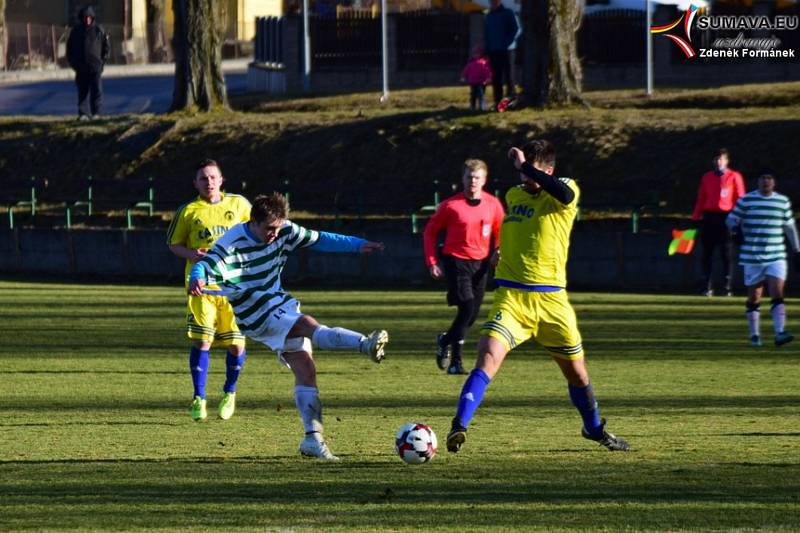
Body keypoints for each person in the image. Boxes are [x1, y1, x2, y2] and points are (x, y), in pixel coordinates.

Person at [445, 140, 630, 454]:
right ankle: (458, 427)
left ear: (549, 169)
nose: (525, 178)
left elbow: (565, 193)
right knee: (487, 355)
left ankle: (594, 428)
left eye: (533, 170)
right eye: (522, 171)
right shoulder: (514, 196)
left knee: (577, 373)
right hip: (513, 299)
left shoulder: (564, 192)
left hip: (552, 302)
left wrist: (525, 168)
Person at [188, 192, 389, 461]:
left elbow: (319, 239)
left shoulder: (284, 230)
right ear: (254, 222)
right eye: (269, 229)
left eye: (278, 227)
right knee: (307, 324)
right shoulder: (232, 241)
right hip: (253, 309)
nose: (275, 234)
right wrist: (196, 278)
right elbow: (206, 264)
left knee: (306, 368)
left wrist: (357, 245)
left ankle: (312, 440)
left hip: (277, 301)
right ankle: (365, 344)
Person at [167, 159, 251, 422]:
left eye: (213, 177)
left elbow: (258, 233)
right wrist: (193, 254)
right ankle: (199, 397)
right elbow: (173, 244)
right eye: (203, 178)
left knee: (236, 347)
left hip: (235, 288)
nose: (209, 182)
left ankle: (230, 392)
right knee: (202, 341)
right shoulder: (188, 211)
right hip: (201, 288)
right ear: (195, 183)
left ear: (222, 179)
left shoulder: (239, 205)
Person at [423, 159, 504, 375]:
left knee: (472, 315)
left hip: (481, 264)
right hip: (456, 261)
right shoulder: (450, 206)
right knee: (466, 307)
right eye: (469, 177)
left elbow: (501, 231)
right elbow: (430, 232)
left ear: (484, 180)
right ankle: (456, 362)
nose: (473, 181)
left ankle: (445, 340)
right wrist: (432, 262)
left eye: (477, 177)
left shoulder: (493, 204)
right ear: (463, 179)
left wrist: (499, 250)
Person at [726, 170, 800, 347]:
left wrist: (797, 250)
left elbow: (790, 228)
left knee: (777, 293)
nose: (766, 181)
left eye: (769, 178)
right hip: (752, 256)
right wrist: (735, 231)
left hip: (776, 255)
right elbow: (730, 219)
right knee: (755, 296)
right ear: (757, 182)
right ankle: (754, 335)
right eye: (763, 178)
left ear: (774, 182)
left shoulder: (782, 202)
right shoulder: (746, 200)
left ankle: (780, 333)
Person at [691, 148, 746, 297]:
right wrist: (696, 218)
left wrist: (738, 219)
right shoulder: (707, 177)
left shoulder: (734, 176)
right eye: (716, 159)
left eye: (721, 159)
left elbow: (740, 199)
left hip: (726, 217)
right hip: (709, 217)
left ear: (726, 161)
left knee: (726, 253)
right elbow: (701, 198)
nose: (718, 162)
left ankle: (727, 286)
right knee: (707, 253)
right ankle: (706, 285)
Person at [66, 6, 110, 120]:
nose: (87, 20)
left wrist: (102, 62)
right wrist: (73, 62)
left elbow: (106, 47)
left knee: (97, 91)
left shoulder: (99, 30)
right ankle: (83, 114)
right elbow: (69, 48)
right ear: (82, 18)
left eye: (89, 17)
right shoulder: (76, 31)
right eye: (85, 18)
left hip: (95, 66)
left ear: (93, 18)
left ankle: (97, 113)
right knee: (83, 92)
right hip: (81, 67)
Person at [484, 0, 519, 109]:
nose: (493, 3)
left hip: (507, 50)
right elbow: (487, 33)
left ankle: (511, 101)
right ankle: (498, 102)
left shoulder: (508, 13)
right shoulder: (489, 16)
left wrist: (507, 43)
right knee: (496, 77)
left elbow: (516, 29)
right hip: (494, 50)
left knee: (509, 76)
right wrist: (488, 47)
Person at [460, 46, 493, 111]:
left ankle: (481, 106)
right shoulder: (471, 63)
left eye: (477, 53)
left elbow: (487, 71)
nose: (476, 55)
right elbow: (466, 70)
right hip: (473, 82)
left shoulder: (484, 62)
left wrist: (489, 77)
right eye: (475, 53)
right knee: (473, 95)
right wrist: (463, 76)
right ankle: (473, 106)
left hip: (481, 82)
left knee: (481, 95)